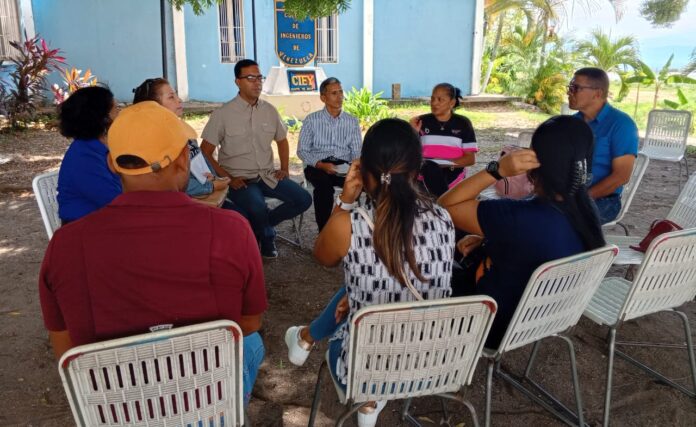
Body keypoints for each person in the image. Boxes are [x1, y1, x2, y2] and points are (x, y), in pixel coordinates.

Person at [38, 101, 267, 407]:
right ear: (184, 160)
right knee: (252, 345)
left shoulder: (65, 245)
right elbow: (249, 322)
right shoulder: (232, 230)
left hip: (117, 409)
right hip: (208, 402)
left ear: (111, 163)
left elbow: (66, 351)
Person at [284, 118, 455, 427]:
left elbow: (322, 256)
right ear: (418, 169)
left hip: (364, 371)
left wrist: (345, 202)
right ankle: (366, 402)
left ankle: (360, 390)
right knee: (361, 289)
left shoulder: (349, 225)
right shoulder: (443, 217)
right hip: (433, 362)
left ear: (364, 170)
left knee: (357, 293)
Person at [439, 115, 606, 347]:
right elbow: (534, 241)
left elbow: (445, 207)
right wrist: (489, 238)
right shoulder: (586, 211)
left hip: (490, 324)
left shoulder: (518, 217)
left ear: (535, 161)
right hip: (542, 319)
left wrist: (496, 170)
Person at [201, 59, 312, 258]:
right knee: (256, 205)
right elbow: (206, 151)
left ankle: (261, 226)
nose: (257, 82)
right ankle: (267, 237)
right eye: (250, 78)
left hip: (268, 175)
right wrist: (227, 178)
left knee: (303, 199)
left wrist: (285, 168)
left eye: (259, 77)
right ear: (238, 82)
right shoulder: (223, 114)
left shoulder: (269, 111)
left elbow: (282, 140)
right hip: (240, 179)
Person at [132, 78, 241, 213]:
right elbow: (168, 182)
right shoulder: (154, 142)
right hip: (180, 206)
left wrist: (211, 177)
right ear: (154, 107)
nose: (179, 100)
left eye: (176, 95)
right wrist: (210, 186)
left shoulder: (183, 130)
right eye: (171, 97)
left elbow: (199, 158)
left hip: (202, 197)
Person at [568, 67, 639, 224]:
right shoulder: (572, 123)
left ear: (597, 93)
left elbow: (621, 176)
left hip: (604, 200)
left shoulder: (621, 125)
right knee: (523, 212)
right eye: (569, 87)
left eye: (575, 88)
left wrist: (581, 198)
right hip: (568, 194)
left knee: (556, 221)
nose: (569, 92)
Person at [297, 77, 362, 231]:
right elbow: (302, 150)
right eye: (334, 93)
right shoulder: (311, 120)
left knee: (359, 184)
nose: (340, 97)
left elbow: (357, 151)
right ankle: (325, 231)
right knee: (324, 188)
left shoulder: (351, 121)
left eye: (341, 92)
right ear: (323, 98)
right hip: (318, 165)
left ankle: (349, 228)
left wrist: (353, 168)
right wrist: (320, 164)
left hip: (344, 165)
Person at [56, 86, 121, 223]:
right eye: (116, 110)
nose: (121, 114)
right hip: (83, 231)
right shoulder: (83, 157)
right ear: (103, 119)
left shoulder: (104, 146)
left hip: (107, 222)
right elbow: (115, 201)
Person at [410, 83, 477, 197]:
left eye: (440, 99)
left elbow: (470, 159)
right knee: (430, 169)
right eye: (432, 98)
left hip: (453, 175)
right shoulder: (421, 121)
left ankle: (442, 205)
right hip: (425, 175)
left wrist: (445, 164)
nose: (434, 103)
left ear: (452, 103)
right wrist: (411, 131)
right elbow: (408, 153)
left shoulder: (463, 123)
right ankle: (443, 205)